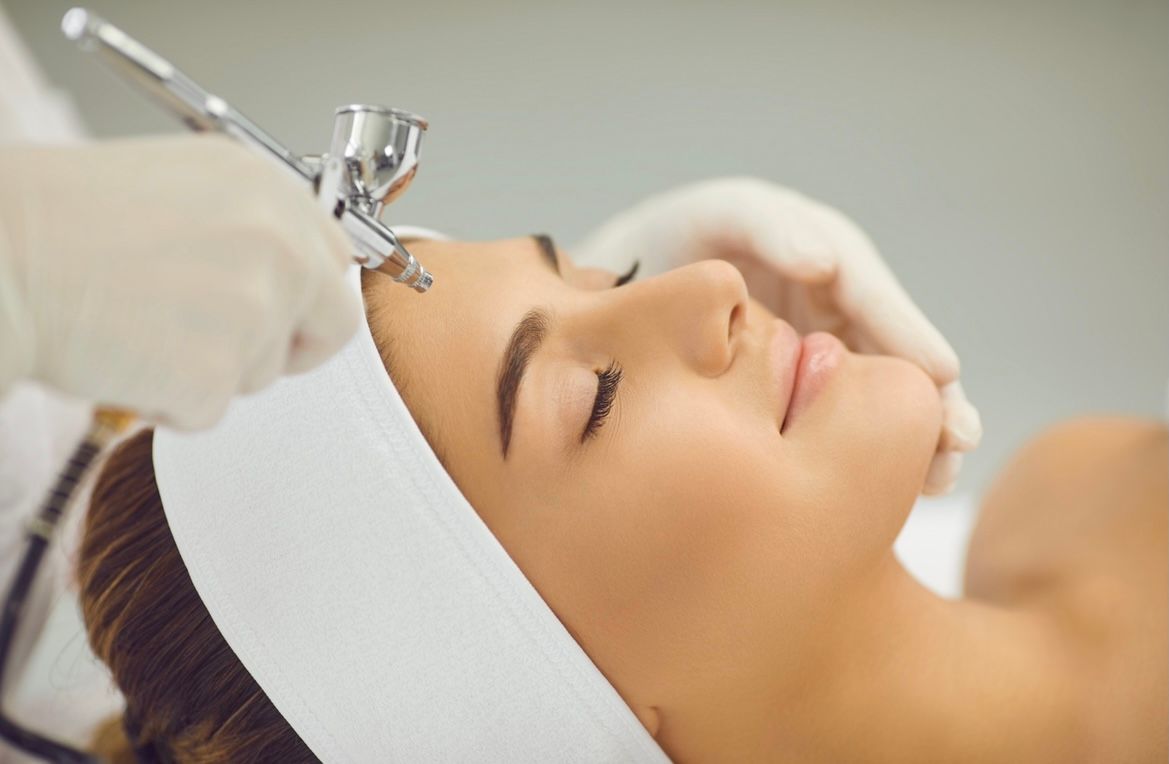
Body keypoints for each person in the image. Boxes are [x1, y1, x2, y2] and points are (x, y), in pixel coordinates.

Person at [76, 234, 1165, 762]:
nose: (712, 285)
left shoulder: (1076, 490)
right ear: (541, 702)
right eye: (594, 394)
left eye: (606, 269)